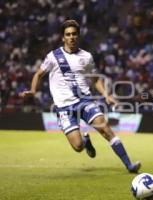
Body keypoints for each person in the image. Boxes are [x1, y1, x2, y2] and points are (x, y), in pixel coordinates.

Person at [20, 20, 141, 173]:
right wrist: (32, 90)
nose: (71, 37)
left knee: (106, 129)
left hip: (85, 101)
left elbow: (95, 78)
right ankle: (86, 142)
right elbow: (38, 74)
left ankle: (129, 165)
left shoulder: (86, 56)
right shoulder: (53, 56)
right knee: (78, 146)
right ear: (63, 37)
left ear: (78, 36)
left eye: (74, 34)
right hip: (64, 107)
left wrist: (106, 95)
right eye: (68, 34)